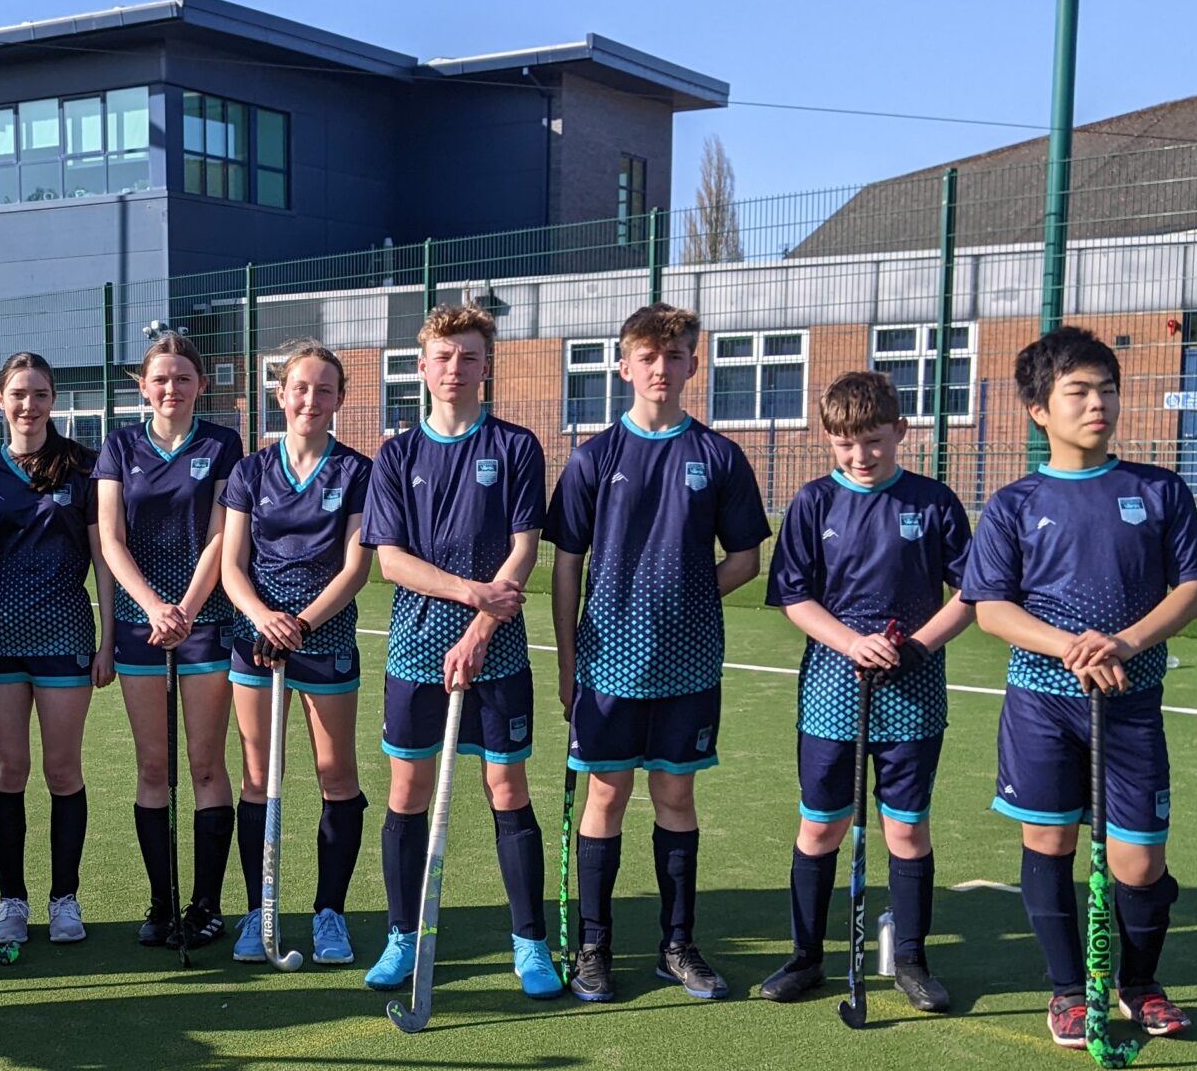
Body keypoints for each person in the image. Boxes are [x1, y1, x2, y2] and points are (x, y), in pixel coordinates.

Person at [961, 326, 1197, 1047]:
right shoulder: (1014, 503)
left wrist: (1124, 642)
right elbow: (992, 608)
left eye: (1107, 389)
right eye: (1078, 391)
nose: (1098, 403)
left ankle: (1140, 984)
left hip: (1130, 705)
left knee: (1141, 860)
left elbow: (1192, 589)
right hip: (1042, 705)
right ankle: (1068, 991)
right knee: (1049, 841)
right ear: (1039, 409)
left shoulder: (1158, 490)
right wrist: (1071, 648)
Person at [546, 303, 769, 1003]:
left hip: (689, 665)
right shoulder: (594, 457)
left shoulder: (718, 456)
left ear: (693, 364)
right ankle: (594, 946)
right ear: (624, 366)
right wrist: (567, 665)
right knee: (605, 795)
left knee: (676, 795)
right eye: (647, 357)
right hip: (607, 665)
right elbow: (566, 566)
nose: (661, 369)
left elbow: (746, 559)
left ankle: (677, 946)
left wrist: (690, 598)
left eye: (674, 356)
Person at [758, 370, 973, 1011]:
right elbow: (794, 596)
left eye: (874, 440)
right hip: (833, 692)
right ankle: (805, 958)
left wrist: (919, 646)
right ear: (828, 438)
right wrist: (851, 643)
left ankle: (911, 959)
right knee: (821, 826)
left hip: (914, 692)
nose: (860, 455)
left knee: (906, 831)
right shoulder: (813, 503)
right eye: (845, 443)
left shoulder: (933, 502)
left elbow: (971, 592)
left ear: (901, 431)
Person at [361, 305, 559, 995]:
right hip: (416, 650)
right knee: (407, 791)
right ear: (422, 367)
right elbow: (390, 561)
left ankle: (530, 943)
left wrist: (479, 630)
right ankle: (401, 935)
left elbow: (524, 548)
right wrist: (472, 593)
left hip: (496, 652)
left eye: (468, 356)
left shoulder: (516, 446)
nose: (455, 368)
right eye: (443, 357)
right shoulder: (396, 455)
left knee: (506, 788)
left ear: (486, 366)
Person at [218, 340, 373, 966]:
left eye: (324, 389)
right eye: (300, 388)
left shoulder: (357, 471)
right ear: (280, 395)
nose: (311, 399)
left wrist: (302, 624)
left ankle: (330, 913)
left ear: (340, 399)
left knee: (337, 777)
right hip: (256, 641)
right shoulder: (250, 471)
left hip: (324, 638)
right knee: (259, 778)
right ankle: (260, 910)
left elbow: (356, 568)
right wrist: (264, 619)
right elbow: (232, 566)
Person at [96, 329, 245, 948]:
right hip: (142, 626)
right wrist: (153, 606)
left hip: (204, 623)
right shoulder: (119, 445)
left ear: (200, 385)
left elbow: (221, 536)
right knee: (153, 766)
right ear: (143, 386)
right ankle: (162, 903)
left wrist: (184, 608)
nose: (171, 388)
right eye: (160, 378)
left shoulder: (222, 443)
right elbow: (110, 539)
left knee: (206, 765)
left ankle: (205, 904)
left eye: (183, 378)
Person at [0, 351, 114, 948]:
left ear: (53, 399)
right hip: (1, 644)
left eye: (40, 394)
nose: (29, 405)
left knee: (62, 769)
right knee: (8, 771)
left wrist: (108, 638)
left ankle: (65, 898)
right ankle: (14, 900)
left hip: (65, 637)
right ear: (0, 399)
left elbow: (103, 558)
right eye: (19, 394)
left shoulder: (84, 467)